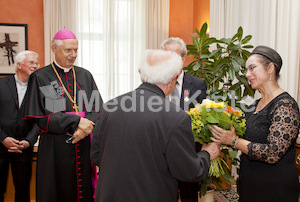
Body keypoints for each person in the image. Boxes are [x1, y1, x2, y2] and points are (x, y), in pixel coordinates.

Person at [90, 49, 221, 202]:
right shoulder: (176, 117)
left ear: (141, 73)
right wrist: (207, 154)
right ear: (173, 79)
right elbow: (189, 172)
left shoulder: (110, 106)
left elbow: (96, 155)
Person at [210, 45, 300, 202]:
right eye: (246, 70)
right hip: (250, 186)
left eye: (252, 68)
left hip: (274, 189)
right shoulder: (254, 104)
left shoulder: (285, 105)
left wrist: (234, 141)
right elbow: (243, 136)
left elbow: (273, 153)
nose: (247, 74)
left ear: (270, 68)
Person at [23, 28, 102, 202]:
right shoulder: (43, 77)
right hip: (55, 146)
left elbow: (96, 108)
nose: (73, 54)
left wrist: (86, 126)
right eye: (68, 50)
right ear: (54, 48)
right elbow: (46, 116)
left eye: (75, 50)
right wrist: (77, 122)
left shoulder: (85, 75)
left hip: (83, 144)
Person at [161, 37, 207, 202]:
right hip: (161, 152)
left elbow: (203, 118)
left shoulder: (197, 84)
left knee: (189, 196)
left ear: (183, 58)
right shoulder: (156, 83)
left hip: (187, 151)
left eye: (174, 56)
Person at [0, 50, 39, 202]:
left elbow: (42, 119)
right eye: (31, 62)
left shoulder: (41, 88)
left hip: (24, 147)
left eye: (37, 63)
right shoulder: (2, 84)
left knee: (23, 191)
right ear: (19, 64)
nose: (35, 66)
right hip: (0, 146)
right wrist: (3, 138)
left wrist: (29, 141)